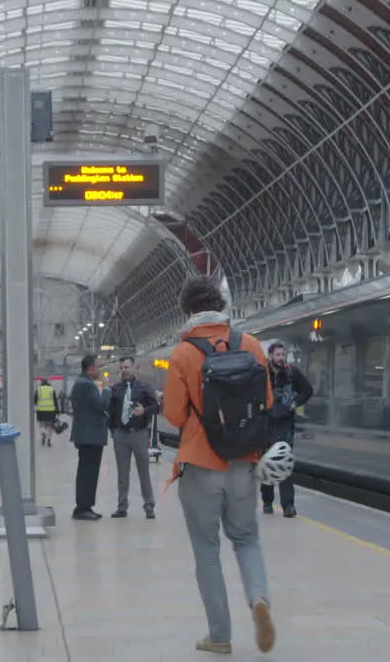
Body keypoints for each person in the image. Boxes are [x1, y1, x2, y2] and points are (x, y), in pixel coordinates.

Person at [164, 276, 276, 655]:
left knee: (207, 550)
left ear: (187, 310)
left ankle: (220, 635)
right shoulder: (252, 345)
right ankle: (259, 598)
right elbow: (268, 402)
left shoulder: (182, 354)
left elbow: (174, 414)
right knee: (246, 539)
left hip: (200, 464)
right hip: (244, 461)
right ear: (221, 305)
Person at [260, 342, 312, 518]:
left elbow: (307, 390)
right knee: (267, 463)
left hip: (284, 425)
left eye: (283, 355)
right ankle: (267, 501)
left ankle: (288, 505)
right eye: (277, 355)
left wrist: (295, 403)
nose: (281, 358)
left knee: (284, 464)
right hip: (266, 425)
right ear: (270, 356)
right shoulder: (262, 373)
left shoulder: (292, 373)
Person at [107, 356, 160, 520]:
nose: (124, 370)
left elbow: (157, 407)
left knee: (143, 470)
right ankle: (122, 506)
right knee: (122, 474)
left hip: (139, 434)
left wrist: (144, 411)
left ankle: (149, 505)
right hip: (121, 435)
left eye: (127, 367)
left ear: (135, 368)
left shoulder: (145, 388)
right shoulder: (115, 389)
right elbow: (111, 411)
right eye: (121, 368)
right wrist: (113, 431)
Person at [69, 355, 108, 521]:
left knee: (87, 471)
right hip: (90, 435)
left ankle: (85, 506)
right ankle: (83, 508)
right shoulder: (86, 385)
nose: (99, 370)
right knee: (88, 473)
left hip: (87, 435)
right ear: (90, 368)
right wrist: (106, 390)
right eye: (98, 367)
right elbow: (101, 404)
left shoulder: (82, 383)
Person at [35, 378, 59, 447]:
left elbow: (35, 401)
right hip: (51, 410)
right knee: (50, 426)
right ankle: (49, 439)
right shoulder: (51, 389)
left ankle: (43, 433)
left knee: (42, 425)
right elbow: (55, 401)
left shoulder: (38, 389)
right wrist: (57, 411)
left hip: (41, 410)